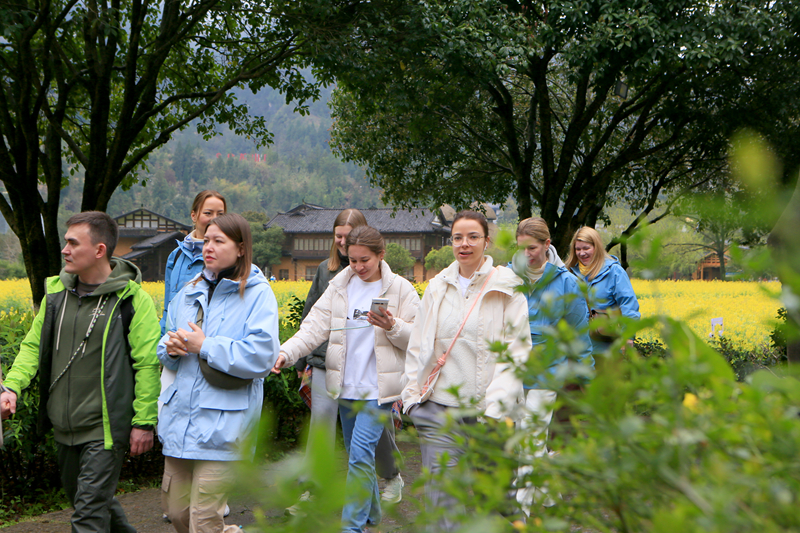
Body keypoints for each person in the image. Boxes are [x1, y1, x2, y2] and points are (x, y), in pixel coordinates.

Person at [0, 211, 161, 533]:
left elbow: (148, 364)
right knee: (91, 502)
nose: (64, 250)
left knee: (87, 517)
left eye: (73, 243)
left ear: (99, 250)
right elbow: (33, 348)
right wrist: (11, 387)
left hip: (104, 429)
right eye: (65, 242)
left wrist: (144, 421)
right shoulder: (56, 295)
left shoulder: (132, 301)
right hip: (64, 423)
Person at [273, 226, 420, 533]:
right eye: (352, 260)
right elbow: (313, 328)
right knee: (359, 457)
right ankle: (372, 514)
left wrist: (392, 325)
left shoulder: (401, 289)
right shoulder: (339, 287)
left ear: (381, 255)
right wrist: (286, 353)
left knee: (359, 458)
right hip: (344, 388)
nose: (358, 266)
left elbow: (417, 340)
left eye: (364, 260)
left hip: (378, 392)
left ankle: (351, 528)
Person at [401, 210, 532, 531]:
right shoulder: (437, 287)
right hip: (440, 409)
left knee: (497, 501)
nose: (465, 244)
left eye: (473, 237)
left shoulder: (509, 287)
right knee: (442, 500)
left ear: (487, 241)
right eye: (458, 237)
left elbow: (517, 352)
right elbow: (419, 344)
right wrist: (412, 399)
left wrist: (496, 409)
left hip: (491, 415)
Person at [158, 213, 280, 533]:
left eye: (218, 241)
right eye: (206, 240)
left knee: (203, 519)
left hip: (225, 426)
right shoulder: (188, 290)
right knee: (177, 512)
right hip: (181, 420)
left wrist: (206, 345)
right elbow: (165, 344)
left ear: (241, 248)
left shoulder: (257, 293)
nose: (208, 248)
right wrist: (170, 349)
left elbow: (262, 357)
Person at [513, 217, 594, 515]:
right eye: (521, 248)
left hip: (547, 373)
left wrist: (587, 376)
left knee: (530, 440)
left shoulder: (567, 283)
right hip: (512, 371)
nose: (526, 255)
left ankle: (521, 511)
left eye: (532, 248)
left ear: (547, 245)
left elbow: (579, 335)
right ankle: (549, 492)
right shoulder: (507, 278)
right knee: (524, 438)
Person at [565, 226, 641, 353]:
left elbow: (629, 306)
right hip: (577, 350)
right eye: (577, 249)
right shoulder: (570, 273)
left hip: (607, 348)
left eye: (586, 248)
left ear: (597, 247)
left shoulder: (614, 271)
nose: (581, 253)